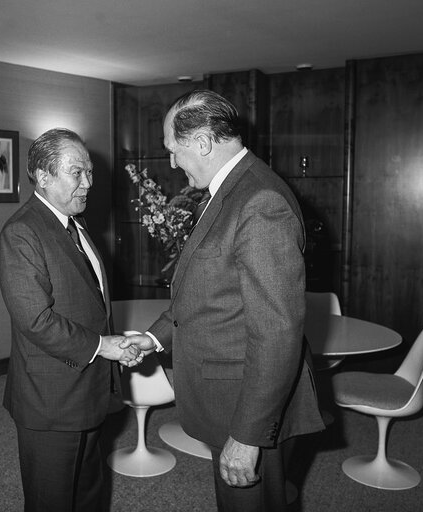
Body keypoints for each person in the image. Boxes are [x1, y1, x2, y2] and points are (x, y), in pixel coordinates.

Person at [122, 90, 325, 511]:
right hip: (229, 398)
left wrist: (249, 434)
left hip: (246, 408)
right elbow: (210, 293)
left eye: (173, 150)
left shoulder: (258, 201)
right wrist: (155, 339)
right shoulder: (231, 189)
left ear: (201, 142)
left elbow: (276, 332)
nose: (173, 162)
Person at [0, 128, 142, 512]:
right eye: (77, 173)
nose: (88, 184)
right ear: (43, 176)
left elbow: (90, 303)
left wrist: (110, 350)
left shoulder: (74, 224)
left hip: (87, 391)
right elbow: (36, 320)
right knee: (52, 501)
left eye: (89, 173)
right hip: (51, 402)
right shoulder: (21, 232)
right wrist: (103, 346)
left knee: (88, 493)